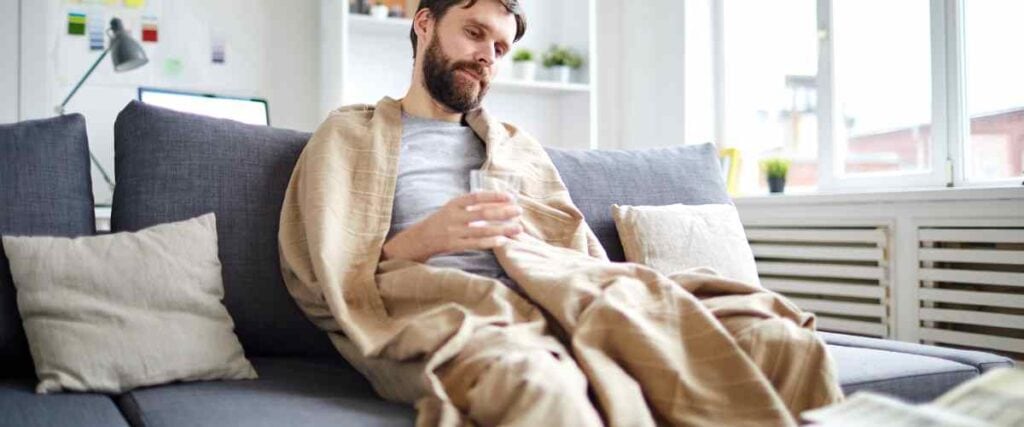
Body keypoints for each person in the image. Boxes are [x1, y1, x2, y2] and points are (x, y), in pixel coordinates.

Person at [278, 1, 844, 426]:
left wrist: (540, 258)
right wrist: (420, 241)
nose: (487, 56)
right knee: (539, 382)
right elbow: (321, 272)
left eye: (501, 48)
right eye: (474, 33)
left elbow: (576, 252)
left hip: (547, 293)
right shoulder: (351, 134)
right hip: (445, 308)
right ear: (424, 24)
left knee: (779, 338)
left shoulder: (517, 144)